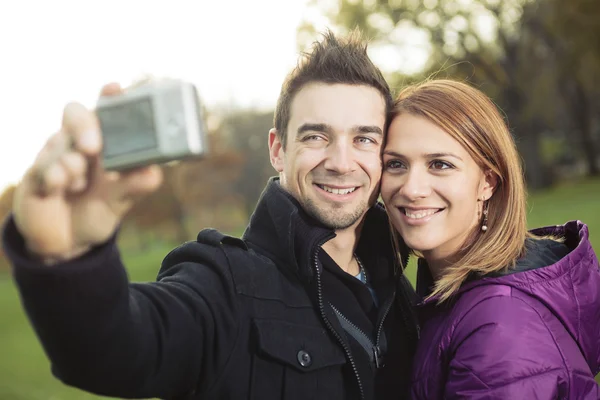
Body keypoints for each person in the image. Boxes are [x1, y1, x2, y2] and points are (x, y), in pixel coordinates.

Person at [1, 31, 419, 400]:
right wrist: (70, 257)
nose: (342, 162)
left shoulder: (399, 289)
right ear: (277, 149)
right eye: (316, 136)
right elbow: (118, 349)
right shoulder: (223, 282)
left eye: (364, 138)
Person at [380, 79, 600, 399]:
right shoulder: (458, 290)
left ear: (488, 182)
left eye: (440, 164)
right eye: (396, 164)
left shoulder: (500, 325)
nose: (412, 189)